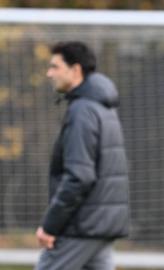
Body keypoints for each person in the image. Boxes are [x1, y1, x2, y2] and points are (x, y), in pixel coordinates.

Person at [35, 41, 129, 270]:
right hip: (99, 223)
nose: (49, 73)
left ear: (75, 70)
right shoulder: (102, 106)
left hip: (81, 226)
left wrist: (50, 225)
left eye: (55, 67)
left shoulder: (82, 110)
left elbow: (79, 177)